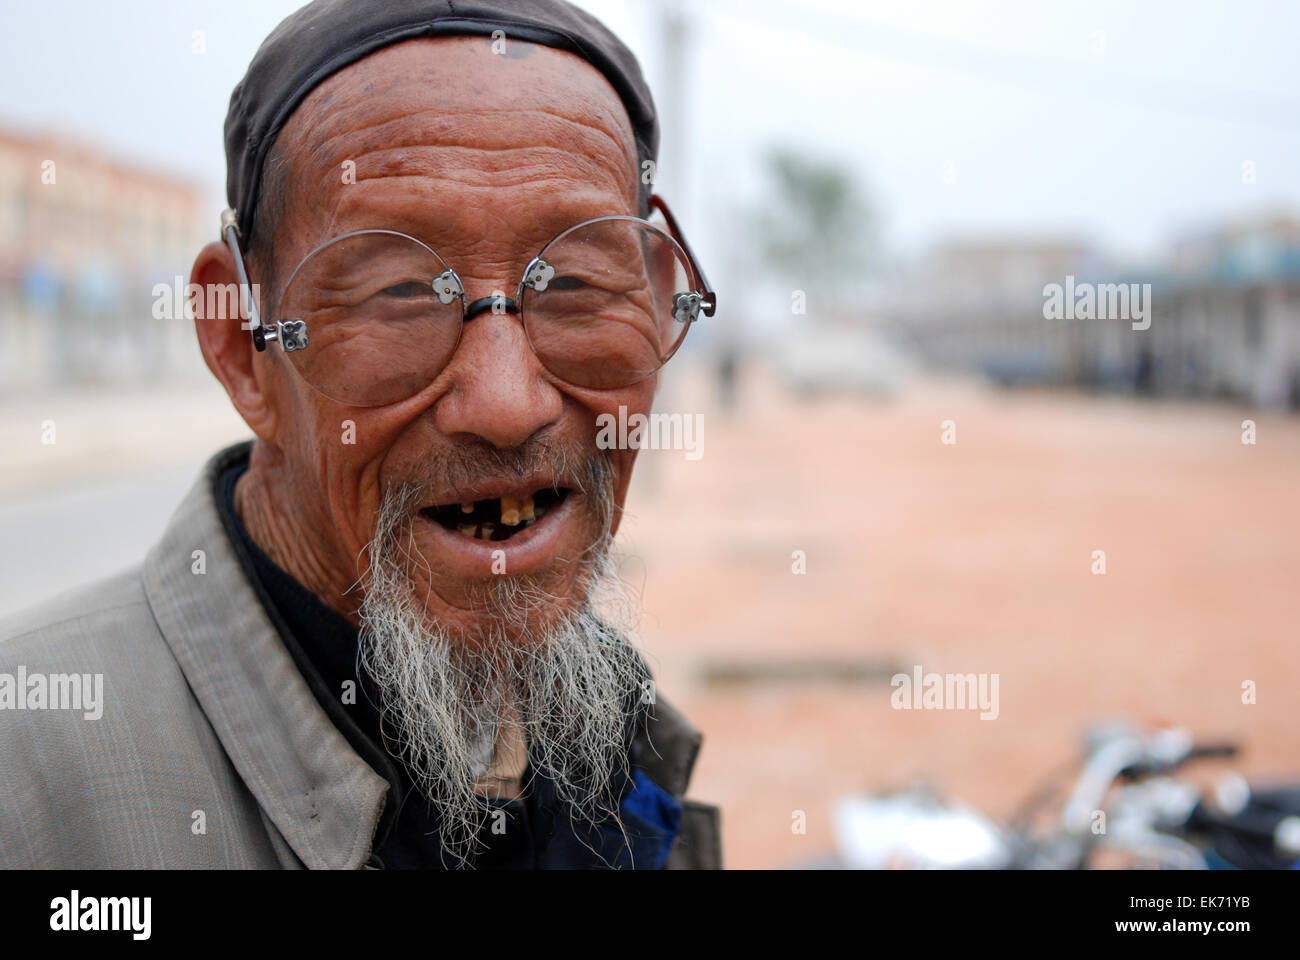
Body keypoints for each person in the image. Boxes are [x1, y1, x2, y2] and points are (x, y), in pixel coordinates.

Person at [0, 0, 720, 870]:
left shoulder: (621, 750)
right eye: (403, 294)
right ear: (241, 346)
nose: (506, 404)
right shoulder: (32, 781)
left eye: (573, 281)